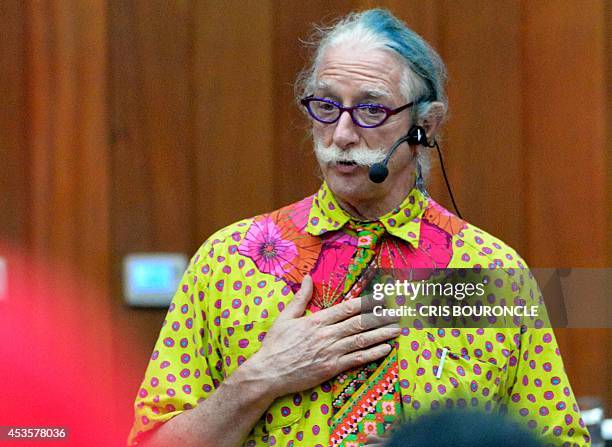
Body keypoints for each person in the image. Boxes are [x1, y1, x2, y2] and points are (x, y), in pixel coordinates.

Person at [128, 9, 590, 447]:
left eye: (371, 110)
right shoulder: (228, 260)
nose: (343, 133)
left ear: (425, 124)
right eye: (326, 106)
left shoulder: (492, 273)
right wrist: (261, 377)